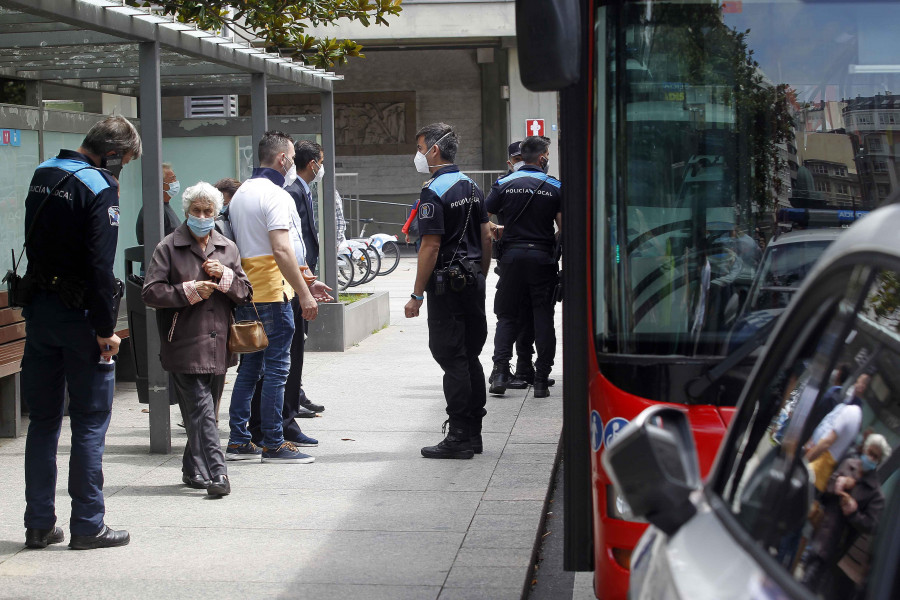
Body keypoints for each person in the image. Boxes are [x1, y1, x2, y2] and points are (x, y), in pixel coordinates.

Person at [21, 115, 141, 550]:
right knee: (89, 421)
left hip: (40, 312)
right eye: (126, 159)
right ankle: (88, 525)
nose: (123, 166)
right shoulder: (98, 185)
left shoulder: (44, 171)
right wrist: (106, 329)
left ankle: (38, 524)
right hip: (81, 319)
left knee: (44, 422)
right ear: (113, 154)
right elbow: (97, 263)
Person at [225, 130, 332, 464]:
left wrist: (303, 282)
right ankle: (273, 442)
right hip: (272, 293)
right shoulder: (277, 195)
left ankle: (240, 439)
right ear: (284, 159)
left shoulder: (242, 192)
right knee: (276, 369)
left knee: (250, 368)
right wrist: (304, 292)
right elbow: (281, 248)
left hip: (247, 291)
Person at [142, 182, 252, 496]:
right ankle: (218, 474)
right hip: (184, 343)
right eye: (196, 210)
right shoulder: (168, 246)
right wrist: (190, 291)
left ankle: (192, 469)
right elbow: (150, 292)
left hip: (219, 344)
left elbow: (245, 293)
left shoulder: (227, 247)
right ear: (187, 211)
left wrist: (225, 277)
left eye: (208, 211)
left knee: (204, 411)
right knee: (203, 411)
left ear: (216, 213)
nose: (202, 216)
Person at [404, 123, 491, 459]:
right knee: (469, 356)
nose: (418, 155)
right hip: (473, 282)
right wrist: (481, 273)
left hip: (447, 287)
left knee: (452, 357)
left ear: (434, 150)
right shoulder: (472, 186)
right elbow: (486, 237)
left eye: (419, 147)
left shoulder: (434, 191)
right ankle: (473, 433)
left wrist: (417, 294)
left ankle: (457, 437)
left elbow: (430, 245)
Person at [485, 136, 562, 398]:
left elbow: (482, 220)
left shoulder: (504, 183)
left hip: (511, 260)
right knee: (543, 317)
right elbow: (564, 229)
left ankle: (500, 372)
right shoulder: (554, 186)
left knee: (507, 317)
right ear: (542, 158)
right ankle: (540, 380)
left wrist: (497, 230)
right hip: (542, 259)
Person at [801, 434, 890, 596]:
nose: (870, 458)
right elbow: (826, 490)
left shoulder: (876, 493)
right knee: (805, 573)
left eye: (875, 456)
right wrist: (837, 484)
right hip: (819, 531)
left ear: (879, 461)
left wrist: (853, 512)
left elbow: (871, 525)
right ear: (864, 449)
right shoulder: (849, 464)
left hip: (835, 546)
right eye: (870, 452)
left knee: (808, 584)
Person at [806, 373, 869, 492]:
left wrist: (805, 460)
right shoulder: (851, 411)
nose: (854, 385)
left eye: (857, 382)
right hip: (818, 463)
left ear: (861, 387)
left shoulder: (850, 412)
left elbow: (827, 442)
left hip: (817, 465)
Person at [136, 162, 182, 245]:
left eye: (175, 178)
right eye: (172, 179)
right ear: (160, 184)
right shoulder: (153, 210)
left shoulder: (164, 206)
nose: (176, 182)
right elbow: (154, 246)